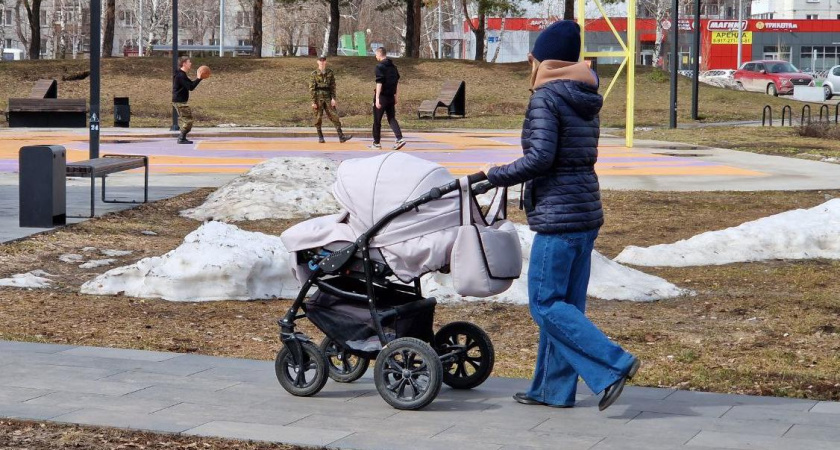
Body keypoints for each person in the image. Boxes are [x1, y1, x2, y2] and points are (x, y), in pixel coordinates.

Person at [483, 20, 640, 411]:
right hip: (585, 214)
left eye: (532, 56)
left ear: (544, 60)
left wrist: (494, 175)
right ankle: (551, 390)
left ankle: (613, 364)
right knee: (565, 305)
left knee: (545, 304)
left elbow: (540, 158)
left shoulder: (546, 97)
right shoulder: (585, 95)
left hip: (559, 216)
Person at [309, 56, 352, 144]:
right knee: (318, 117)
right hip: (318, 97)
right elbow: (312, 88)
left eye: (323, 60)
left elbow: (333, 86)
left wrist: (333, 98)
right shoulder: (314, 74)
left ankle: (341, 137)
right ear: (317, 62)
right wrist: (313, 101)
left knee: (334, 116)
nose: (322, 62)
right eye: (320, 60)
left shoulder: (330, 72)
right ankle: (320, 137)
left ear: (325, 62)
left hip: (328, 97)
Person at [370, 47, 406, 150]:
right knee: (391, 118)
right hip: (391, 97)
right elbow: (396, 82)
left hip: (382, 97)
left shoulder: (379, 67)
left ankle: (376, 143)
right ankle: (399, 138)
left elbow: (379, 82)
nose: (375, 57)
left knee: (377, 120)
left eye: (376, 55)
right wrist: (396, 96)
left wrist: (377, 98)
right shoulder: (393, 67)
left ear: (379, 54)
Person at [172, 56, 206, 144]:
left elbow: (190, 84)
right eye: (189, 62)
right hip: (179, 102)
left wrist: (199, 78)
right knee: (188, 121)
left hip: (180, 101)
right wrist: (199, 78)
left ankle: (182, 137)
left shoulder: (182, 74)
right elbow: (190, 87)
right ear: (184, 64)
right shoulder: (180, 75)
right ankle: (181, 138)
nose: (190, 63)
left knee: (188, 120)